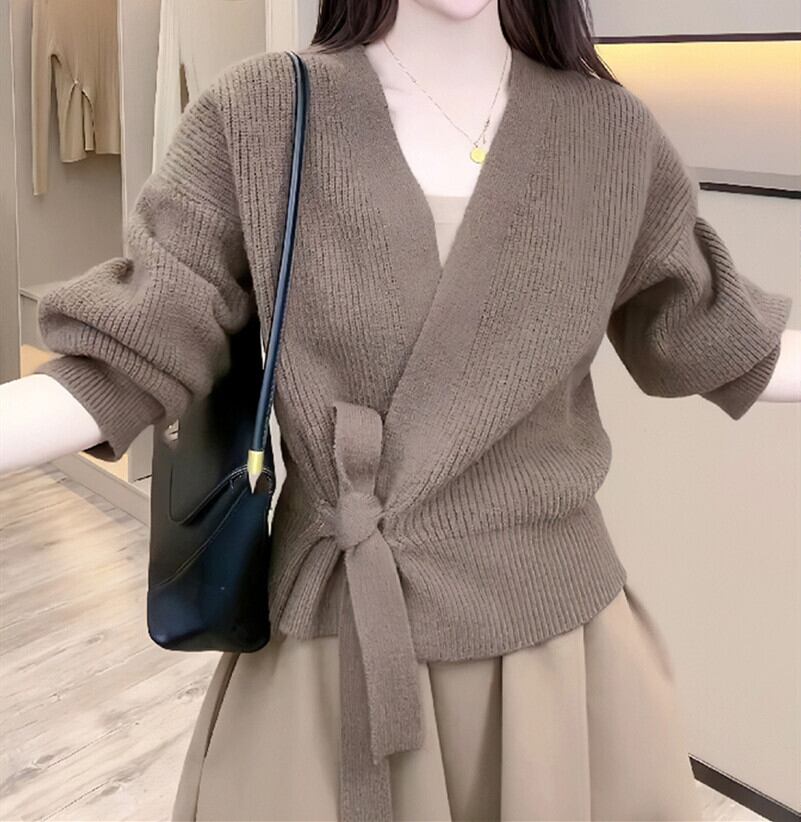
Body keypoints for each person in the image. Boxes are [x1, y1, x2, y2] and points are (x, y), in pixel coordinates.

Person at [1, 1, 798, 820]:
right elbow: (135, 350)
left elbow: (716, 336)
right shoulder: (262, 114)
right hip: (333, 638)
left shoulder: (609, 134)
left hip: (553, 658)